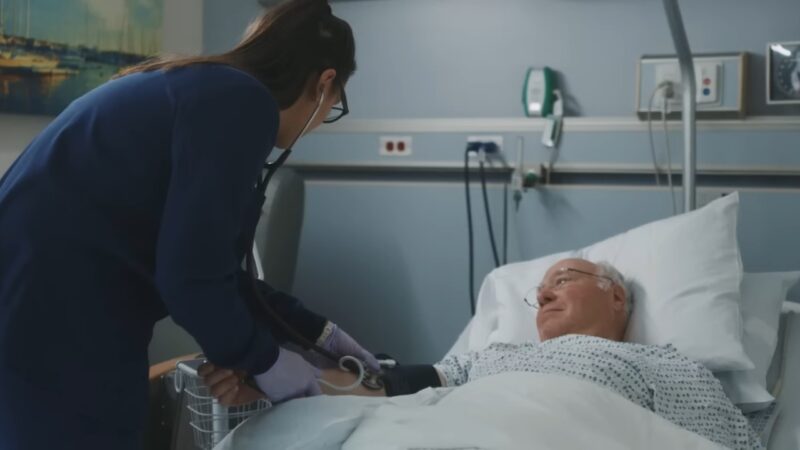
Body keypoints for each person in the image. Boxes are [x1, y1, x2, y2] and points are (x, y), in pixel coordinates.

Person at [0, 1, 378, 448]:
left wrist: (318, 333)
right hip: (59, 319)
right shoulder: (242, 102)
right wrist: (268, 362)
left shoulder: (199, 88)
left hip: (43, 302)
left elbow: (213, 272)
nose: (319, 122)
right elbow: (192, 280)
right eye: (332, 108)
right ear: (325, 83)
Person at [204, 258, 762, 449]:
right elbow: (383, 387)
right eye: (538, 289)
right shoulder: (488, 358)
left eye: (564, 279)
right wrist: (274, 377)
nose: (543, 293)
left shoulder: (664, 364)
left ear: (616, 294)